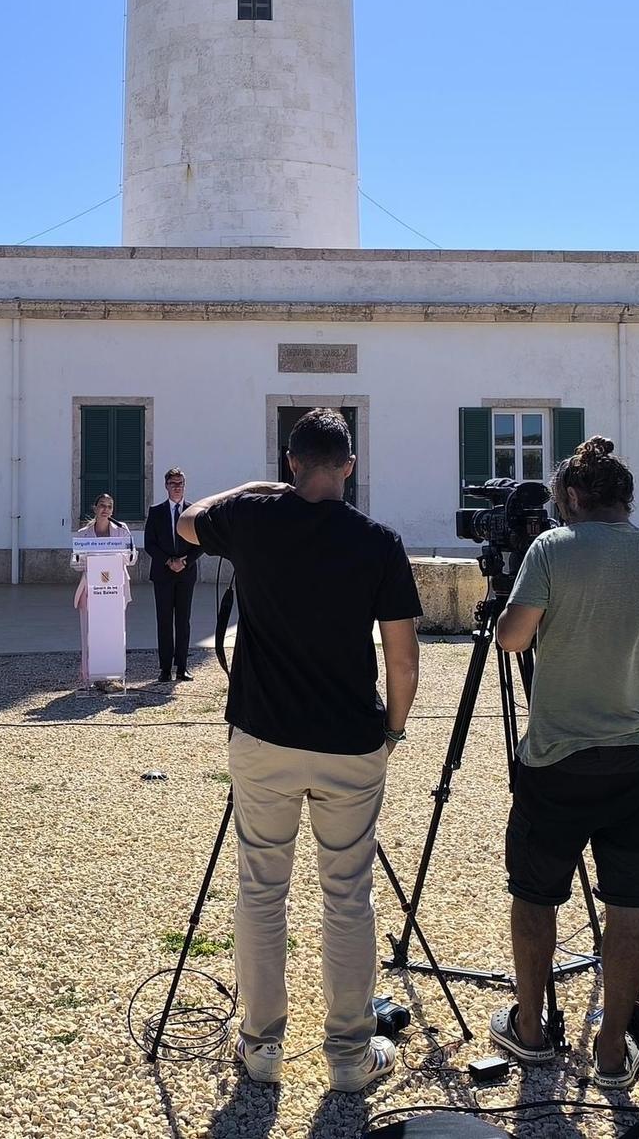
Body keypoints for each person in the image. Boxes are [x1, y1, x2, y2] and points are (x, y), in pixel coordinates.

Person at [178, 409, 422, 1094]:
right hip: (349, 741)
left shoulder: (254, 520)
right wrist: (393, 733)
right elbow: (402, 662)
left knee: (263, 891)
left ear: (291, 464)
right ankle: (348, 1055)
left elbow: (189, 521)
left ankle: (261, 1047)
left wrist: (262, 486)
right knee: (347, 895)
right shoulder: (378, 541)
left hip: (264, 734)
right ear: (349, 465)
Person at [489, 437, 639, 1088]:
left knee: (534, 893)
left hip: (557, 759)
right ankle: (611, 1050)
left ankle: (531, 1032)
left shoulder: (553, 550)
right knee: (630, 905)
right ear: (624, 497)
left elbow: (512, 639)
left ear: (575, 498)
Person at [72, 492, 137, 687]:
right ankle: (89, 675)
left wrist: (129, 553)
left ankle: (113, 674)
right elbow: (74, 563)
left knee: (115, 632)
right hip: (91, 590)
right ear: (95, 508)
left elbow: (132, 558)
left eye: (109, 506)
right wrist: (83, 560)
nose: (105, 509)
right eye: (102, 505)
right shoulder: (84, 533)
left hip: (115, 590)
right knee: (89, 633)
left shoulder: (122, 530)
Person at [144, 468, 200, 682]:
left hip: (186, 574)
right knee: (164, 621)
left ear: (184, 486)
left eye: (180, 483)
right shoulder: (156, 512)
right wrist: (169, 561)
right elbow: (150, 544)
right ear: (166, 486)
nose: (177, 487)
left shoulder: (193, 511)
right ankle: (165, 668)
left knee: (183, 621)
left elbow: (201, 542)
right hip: (163, 574)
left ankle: (182, 667)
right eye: (173, 483)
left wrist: (184, 561)